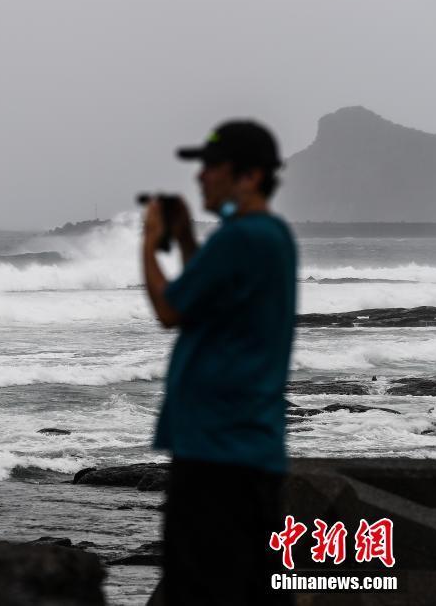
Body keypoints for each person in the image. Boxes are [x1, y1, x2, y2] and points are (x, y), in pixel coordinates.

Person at [141, 120, 296, 605]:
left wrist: (148, 243)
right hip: (246, 448)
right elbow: (206, 298)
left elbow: (171, 309)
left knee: (201, 591)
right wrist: (186, 241)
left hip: (215, 453)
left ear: (248, 176)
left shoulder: (241, 238)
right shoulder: (268, 236)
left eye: (212, 167)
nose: (201, 177)